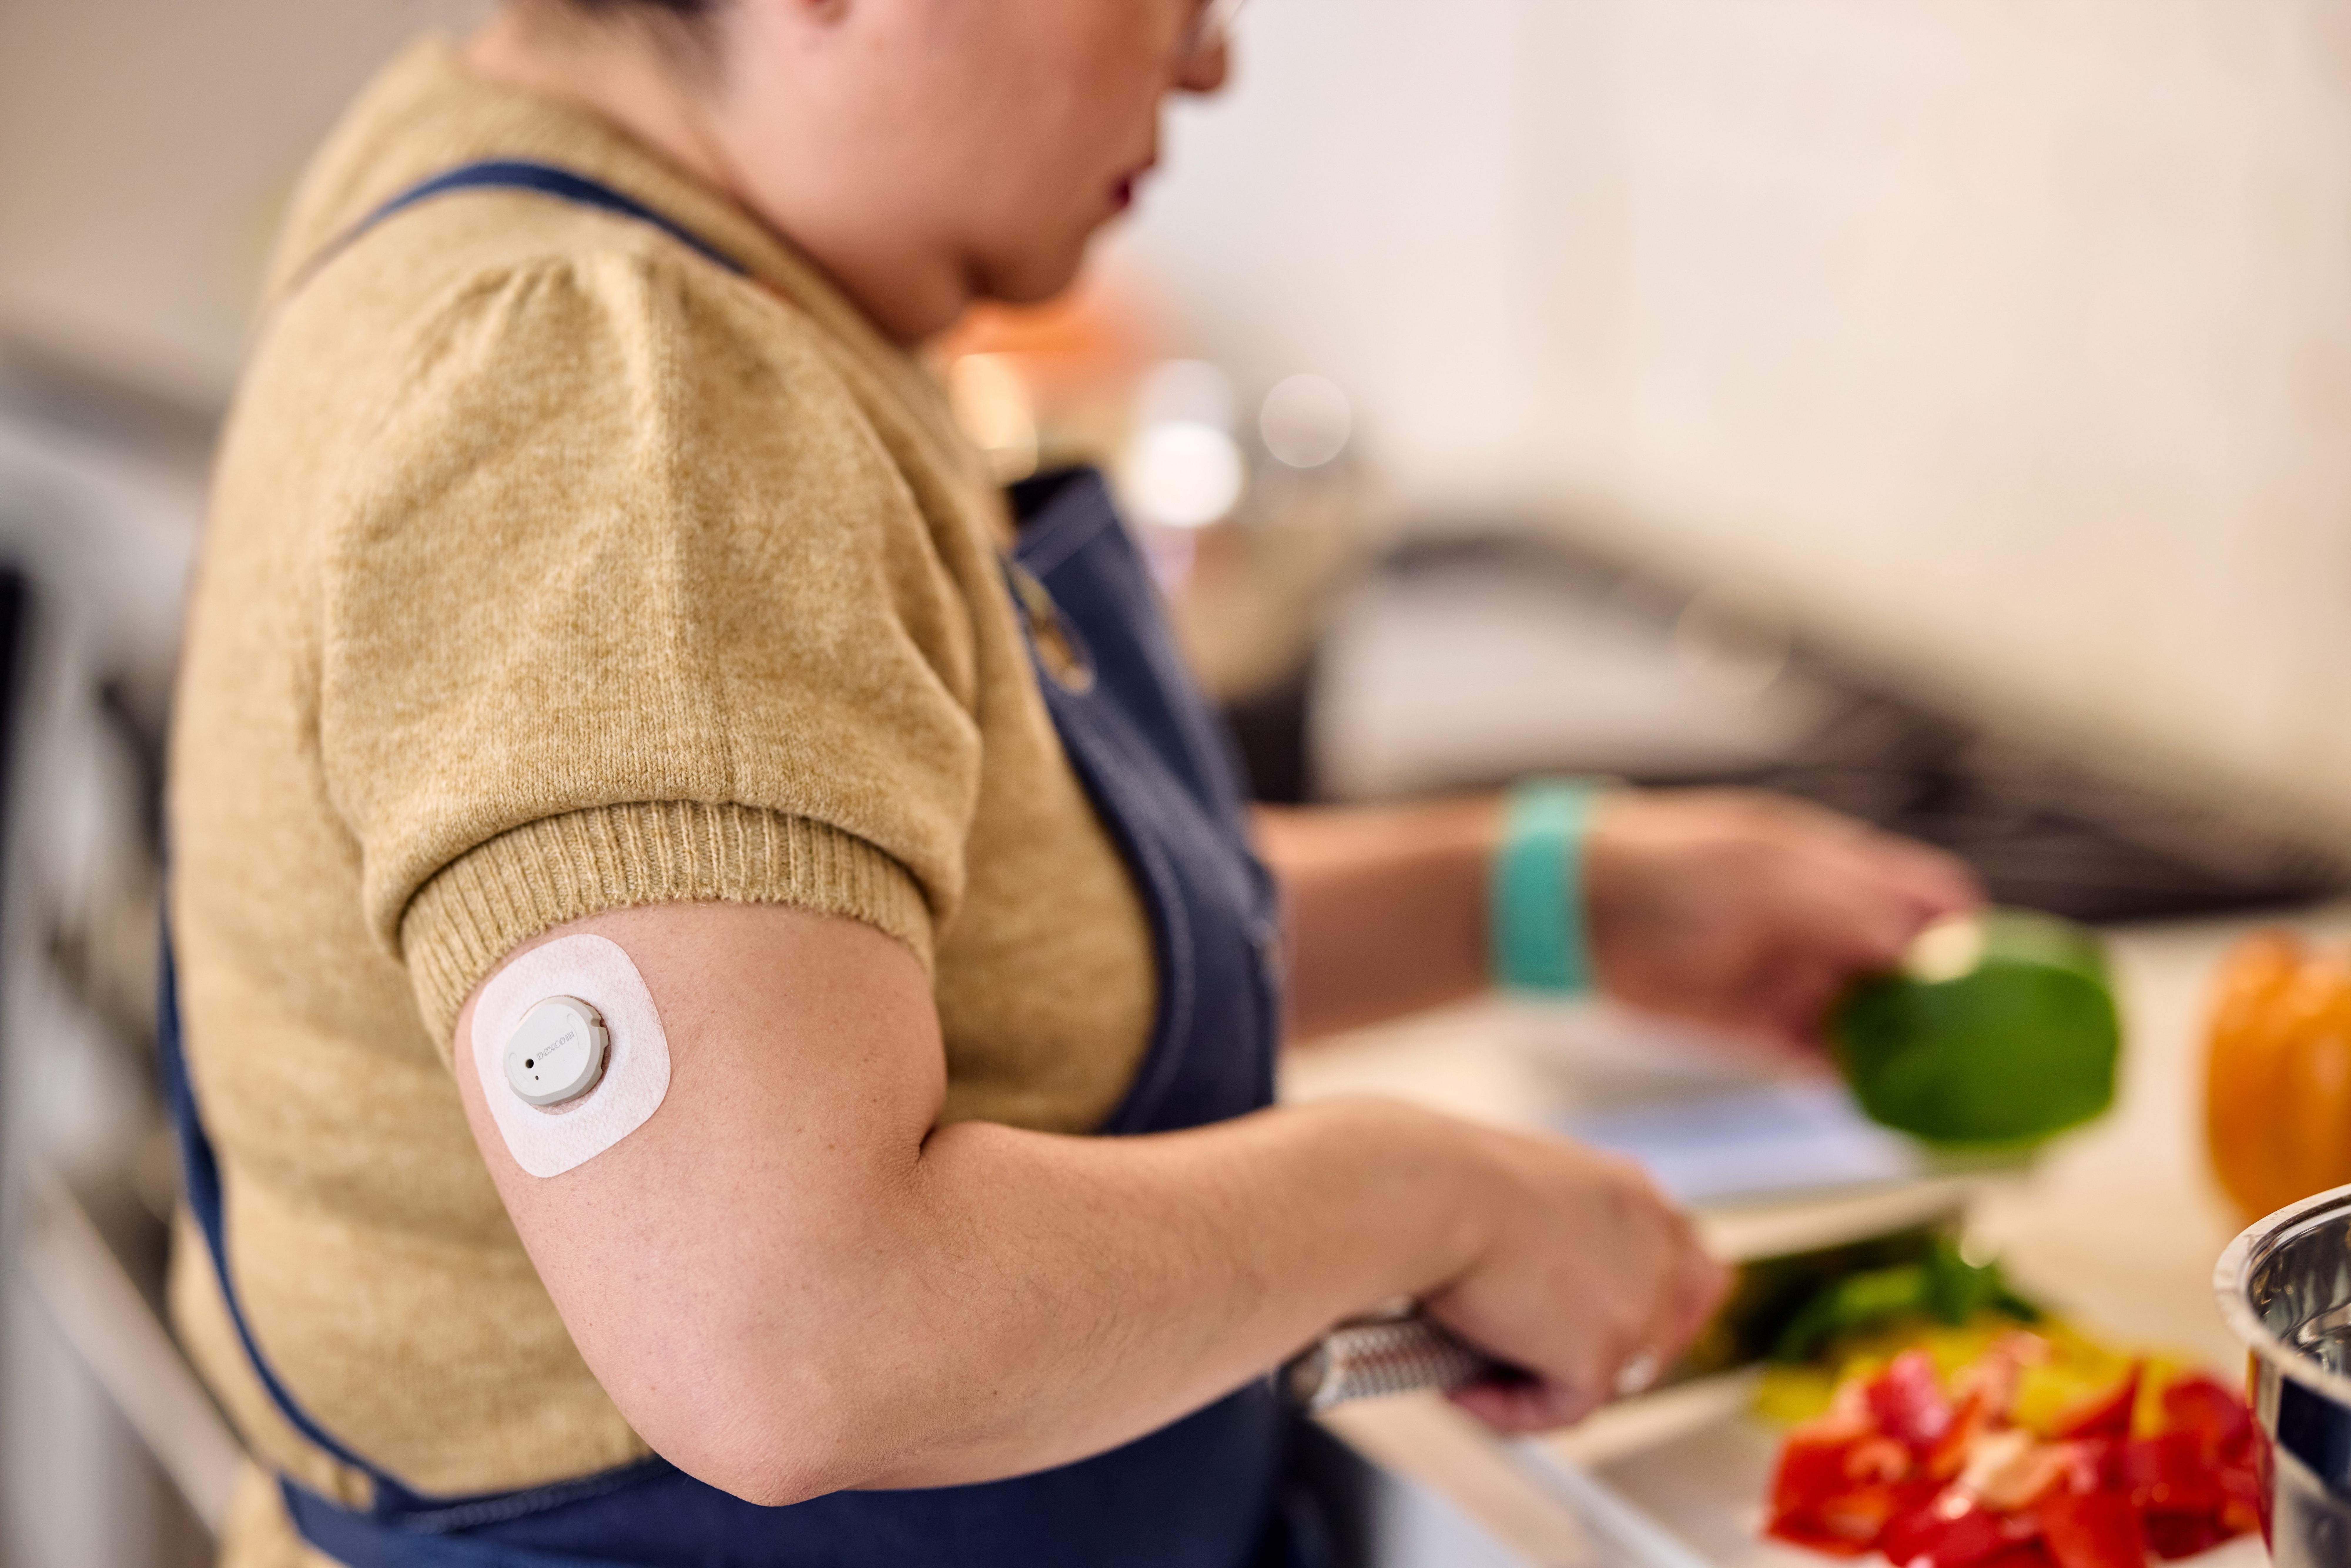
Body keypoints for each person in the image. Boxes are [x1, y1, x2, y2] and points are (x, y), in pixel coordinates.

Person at [163, 2, 1982, 1564]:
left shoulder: (510, 166)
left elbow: (921, 939)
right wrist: (1432, 1197)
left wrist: (1554, 899)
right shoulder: (621, 393)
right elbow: (794, 1330)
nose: (1209, 62)